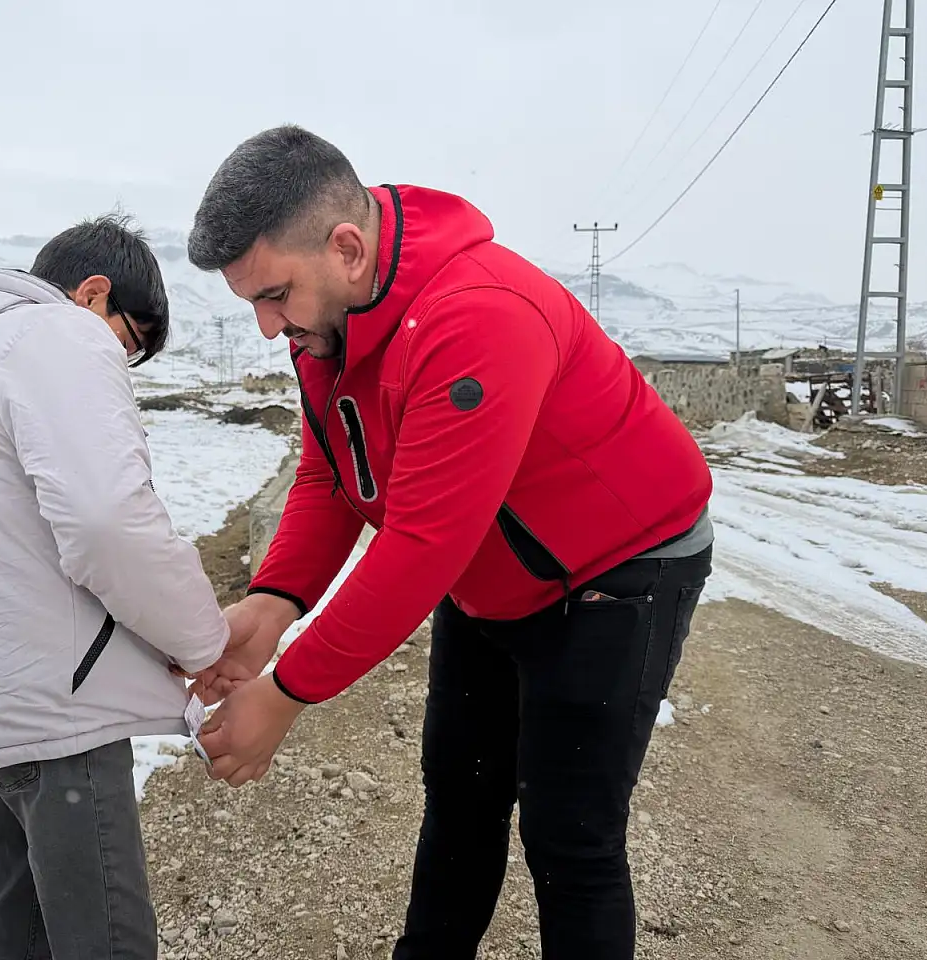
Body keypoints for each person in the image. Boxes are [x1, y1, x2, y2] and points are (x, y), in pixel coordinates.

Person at [184, 126, 715, 960]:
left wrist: (285, 692)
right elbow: (332, 471)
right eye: (251, 301)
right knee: (461, 798)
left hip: (620, 565)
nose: (264, 326)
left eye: (274, 295)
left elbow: (421, 545)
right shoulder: (326, 321)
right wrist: (272, 601)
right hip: (491, 570)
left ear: (348, 248)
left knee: (569, 832)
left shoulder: (479, 315)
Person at [0, 215, 228, 960]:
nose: (117, 360)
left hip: (1, 702)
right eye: (126, 343)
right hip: (63, 710)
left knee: (21, 936)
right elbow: (107, 522)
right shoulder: (58, 334)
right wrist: (202, 643)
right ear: (94, 293)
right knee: (107, 943)